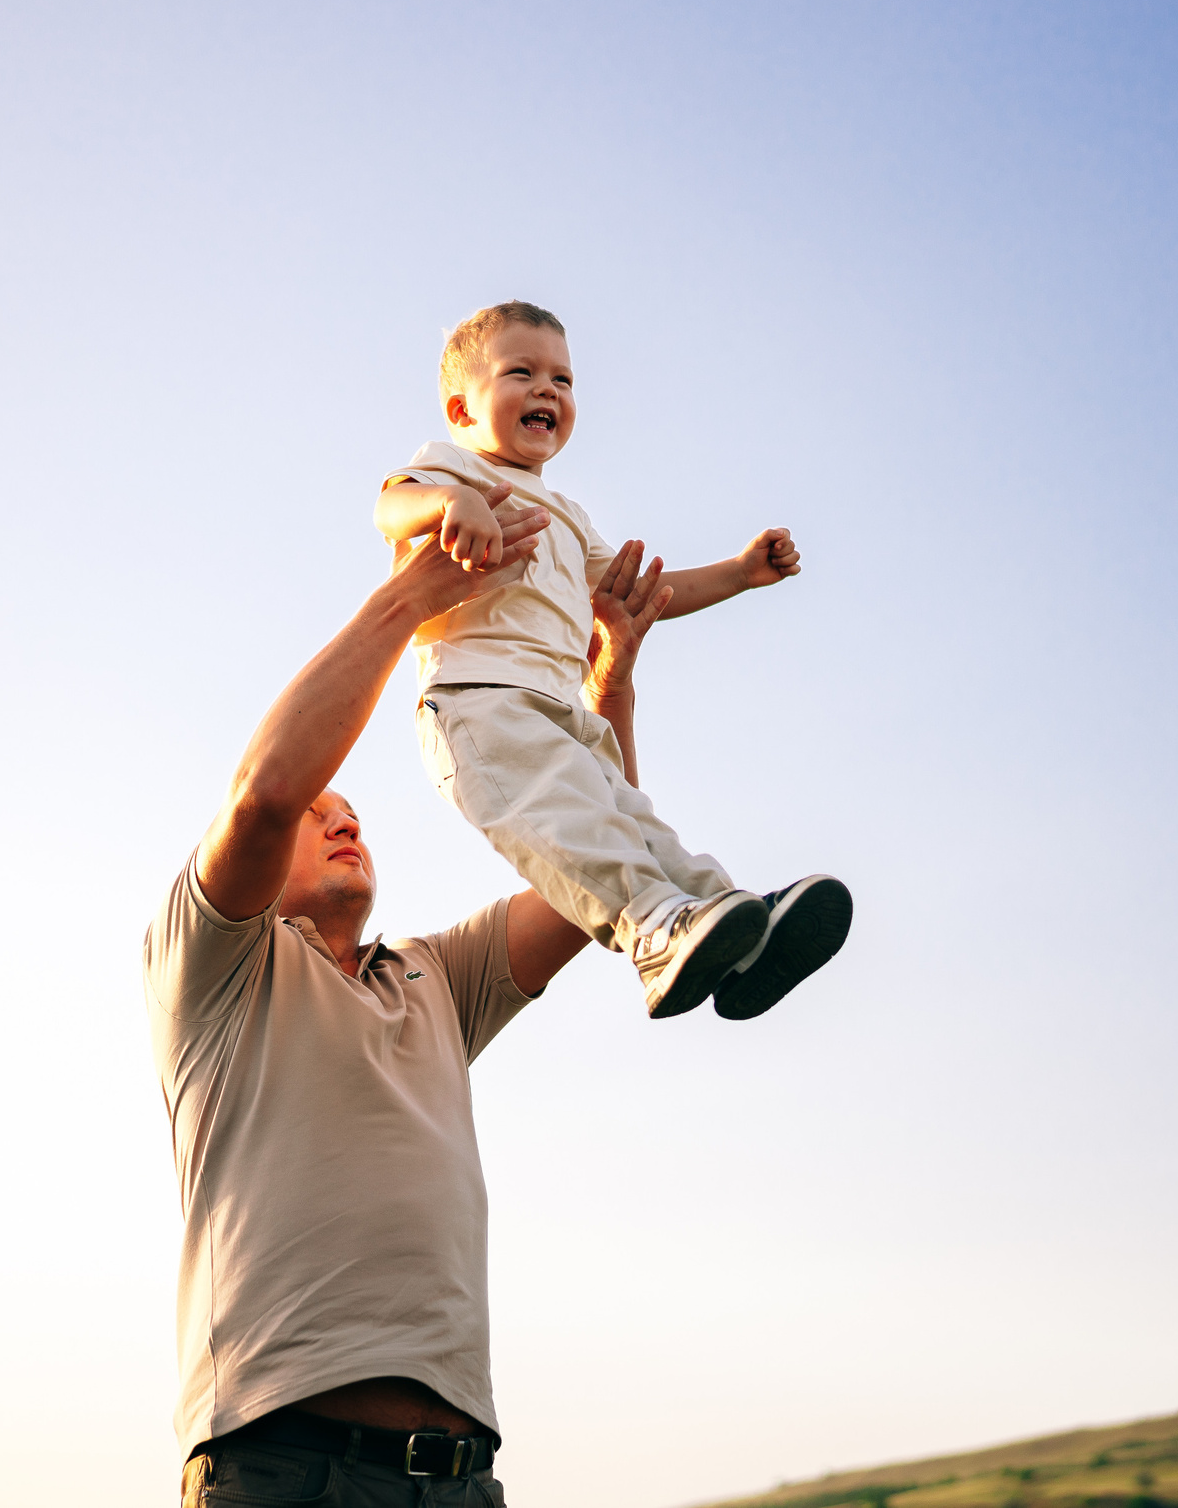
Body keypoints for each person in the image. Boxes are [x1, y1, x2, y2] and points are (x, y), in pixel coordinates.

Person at [146, 489, 677, 1504]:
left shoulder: (437, 976)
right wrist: (410, 598)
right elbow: (264, 792)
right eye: (320, 814)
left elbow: (589, 885)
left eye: (353, 812)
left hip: (461, 1480)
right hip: (283, 1467)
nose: (343, 823)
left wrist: (610, 681)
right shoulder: (212, 967)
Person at [374, 300, 852, 1021]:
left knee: (636, 821)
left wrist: (739, 573)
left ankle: (730, 924)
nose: (548, 389)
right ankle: (652, 931)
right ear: (462, 409)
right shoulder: (454, 467)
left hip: (563, 713)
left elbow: (647, 593)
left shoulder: (568, 515)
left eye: (563, 379)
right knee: (571, 824)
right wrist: (450, 505)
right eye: (521, 372)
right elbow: (390, 506)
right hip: (477, 702)